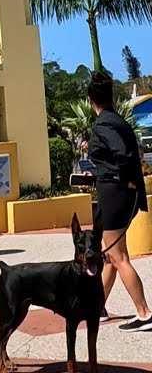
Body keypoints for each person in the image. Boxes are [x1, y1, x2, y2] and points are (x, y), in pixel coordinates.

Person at [86, 71, 152, 331]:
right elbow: (124, 155)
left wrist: (122, 179)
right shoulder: (117, 120)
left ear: (91, 99)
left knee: (119, 255)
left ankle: (144, 312)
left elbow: (123, 155)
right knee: (110, 256)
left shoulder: (103, 124)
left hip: (115, 196)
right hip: (117, 193)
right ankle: (96, 307)